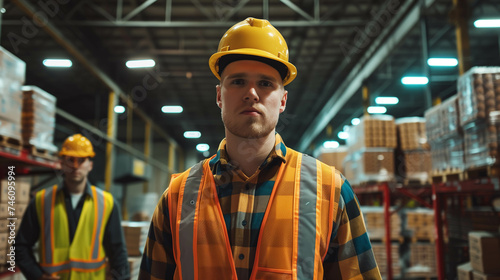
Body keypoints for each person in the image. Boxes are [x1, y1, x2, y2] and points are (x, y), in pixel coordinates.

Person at [139, 17, 381, 280]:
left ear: (283, 100)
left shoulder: (331, 192)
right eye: (238, 81)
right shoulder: (176, 197)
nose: (252, 93)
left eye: (265, 83)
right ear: (219, 96)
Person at [16, 134, 130, 280]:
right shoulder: (41, 201)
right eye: (70, 160)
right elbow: (20, 247)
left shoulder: (107, 203)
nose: (75, 166)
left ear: (90, 165)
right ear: (62, 163)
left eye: (81, 160)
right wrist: (38, 276)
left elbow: (118, 252)